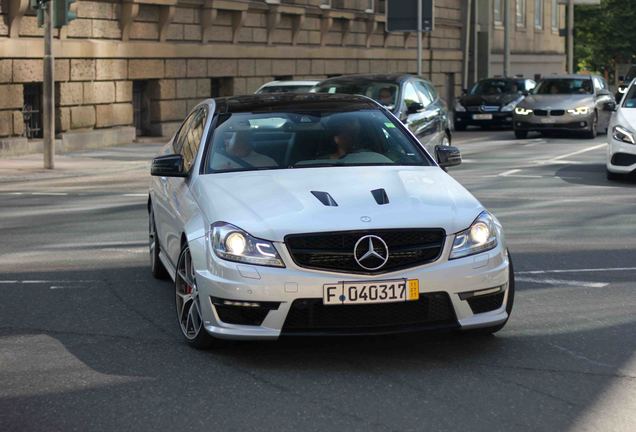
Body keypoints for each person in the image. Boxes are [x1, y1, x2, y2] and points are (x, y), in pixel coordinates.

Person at [211, 130, 277, 170]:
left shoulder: (267, 162)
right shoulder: (211, 159)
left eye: (244, 139)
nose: (242, 143)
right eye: (239, 139)